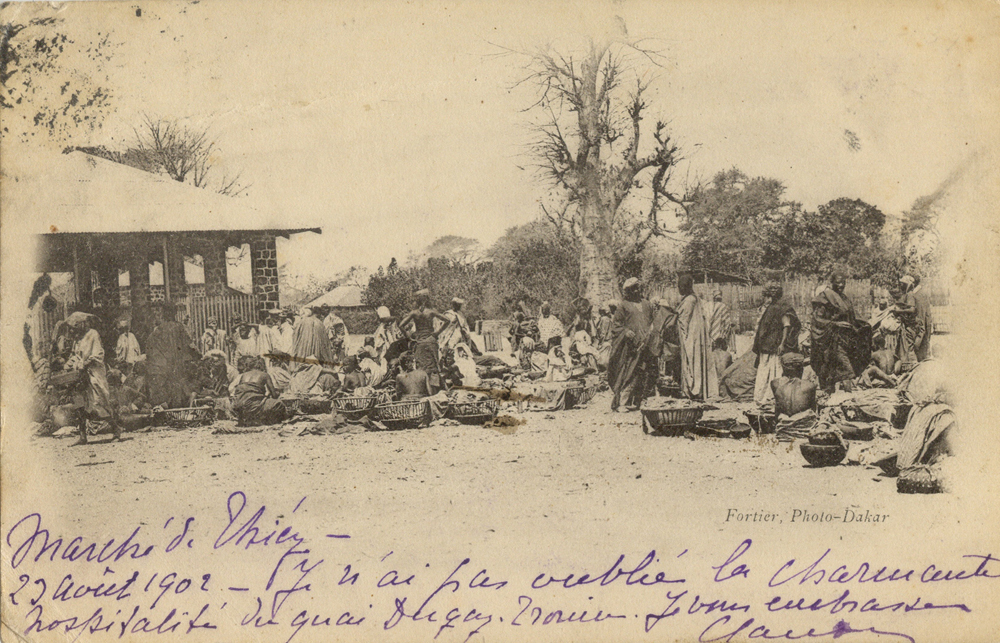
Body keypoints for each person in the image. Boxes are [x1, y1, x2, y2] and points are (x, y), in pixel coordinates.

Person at [63, 312, 122, 444]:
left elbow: (98, 354)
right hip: (81, 375)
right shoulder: (78, 339)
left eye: (75, 327)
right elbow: (76, 355)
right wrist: (69, 364)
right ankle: (83, 436)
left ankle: (116, 429)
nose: (74, 330)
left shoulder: (93, 334)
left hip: (94, 374)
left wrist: (86, 363)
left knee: (98, 404)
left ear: (81, 324)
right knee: (79, 404)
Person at [607, 277, 657, 411]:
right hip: (630, 347)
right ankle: (622, 403)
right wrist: (626, 331)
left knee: (644, 372)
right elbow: (616, 326)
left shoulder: (647, 304)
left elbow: (653, 321)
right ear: (628, 291)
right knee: (628, 373)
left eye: (637, 287)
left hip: (645, 345)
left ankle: (639, 401)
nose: (636, 290)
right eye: (633, 289)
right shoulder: (623, 306)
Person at [752, 284, 800, 406]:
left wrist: (782, 343)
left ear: (779, 292)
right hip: (766, 345)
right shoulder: (770, 307)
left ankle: (771, 397)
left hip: (775, 344)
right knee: (763, 370)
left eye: (775, 290)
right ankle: (760, 397)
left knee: (775, 370)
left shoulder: (783, 307)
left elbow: (786, 326)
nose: (772, 293)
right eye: (771, 290)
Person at [810, 268, 858, 392]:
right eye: (838, 282)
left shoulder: (844, 298)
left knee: (837, 371)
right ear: (832, 282)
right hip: (830, 340)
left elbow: (851, 317)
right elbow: (817, 319)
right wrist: (835, 324)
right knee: (843, 370)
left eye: (843, 282)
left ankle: (838, 398)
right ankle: (845, 396)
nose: (841, 285)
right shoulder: (826, 296)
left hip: (845, 339)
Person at [145, 302, 199, 409]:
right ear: (174, 313)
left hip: (161, 368)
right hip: (176, 366)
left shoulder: (157, 331)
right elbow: (191, 346)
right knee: (179, 388)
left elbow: (149, 349)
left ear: (164, 314)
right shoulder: (179, 327)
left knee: (166, 392)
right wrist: (198, 355)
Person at [676, 274, 719, 400]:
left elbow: (683, 320)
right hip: (696, 334)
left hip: (691, 335)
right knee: (697, 361)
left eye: (681, 286)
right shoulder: (693, 299)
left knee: (692, 361)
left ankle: (693, 390)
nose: (679, 289)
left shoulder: (689, 300)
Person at [398, 289, 450, 386]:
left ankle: (423, 387)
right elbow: (447, 320)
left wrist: (409, 337)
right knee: (434, 366)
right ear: (427, 300)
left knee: (421, 366)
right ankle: (435, 387)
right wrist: (437, 333)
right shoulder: (431, 311)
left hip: (419, 341)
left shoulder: (414, 313)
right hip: (431, 340)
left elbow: (401, 325)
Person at [231, 355, 288, 425]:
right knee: (279, 404)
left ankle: (248, 419)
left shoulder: (244, 375)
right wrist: (277, 393)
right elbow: (274, 395)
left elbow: (243, 390)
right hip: (253, 405)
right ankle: (265, 421)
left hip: (239, 405)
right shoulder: (264, 375)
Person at [770, 352, 817, 417]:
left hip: (783, 424)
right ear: (801, 369)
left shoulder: (775, 384)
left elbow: (777, 410)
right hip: (804, 425)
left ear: (784, 368)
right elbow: (813, 409)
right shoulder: (809, 385)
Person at [290, 306, 335, 372]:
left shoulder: (302, 321)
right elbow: (325, 343)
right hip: (316, 353)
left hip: (302, 350)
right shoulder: (320, 323)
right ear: (319, 314)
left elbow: (295, 336)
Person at [705, 287, 736, 354]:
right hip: (719, 335)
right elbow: (727, 322)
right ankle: (732, 351)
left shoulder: (707, 305)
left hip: (708, 333)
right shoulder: (723, 306)